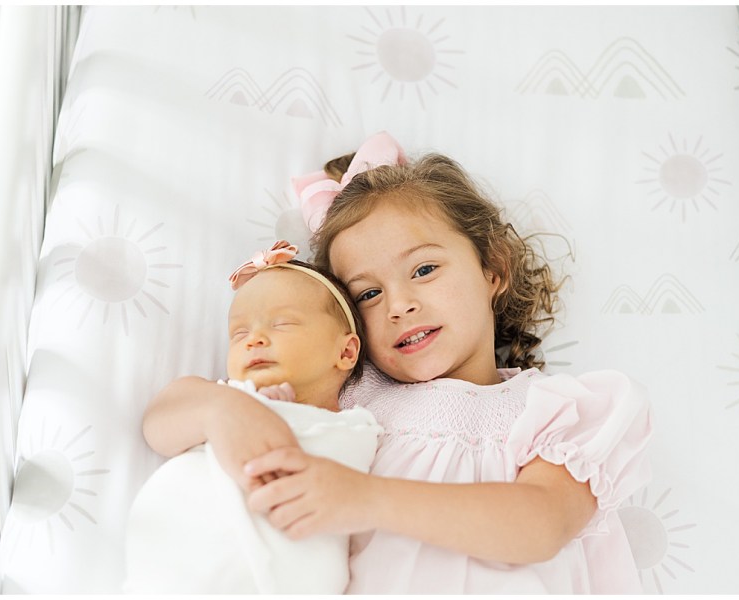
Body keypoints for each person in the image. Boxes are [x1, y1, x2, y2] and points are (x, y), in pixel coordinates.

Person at [142, 132, 652, 594]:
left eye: (424, 269)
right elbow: (162, 422)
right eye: (368, 293)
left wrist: (365, 498)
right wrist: (220, 410)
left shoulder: (553, 412)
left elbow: (541, 526)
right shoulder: (347, 394)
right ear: (347, 335)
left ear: (492, 269)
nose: (398, 305)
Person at [125, 243, 381, 594]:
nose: (254, 339)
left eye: (282, 323)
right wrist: (226, 406)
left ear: (346, 351)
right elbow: (157, 424)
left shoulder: (359, 428)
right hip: (180, 565)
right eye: (239, 333)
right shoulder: (221, 396)